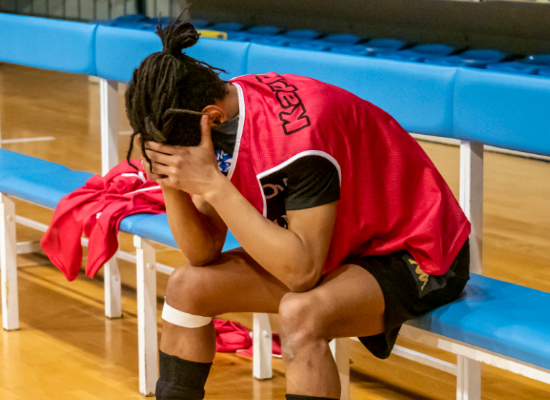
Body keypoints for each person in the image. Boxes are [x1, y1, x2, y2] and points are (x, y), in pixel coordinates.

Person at [125, 16, 471, 400]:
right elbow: (202, 251)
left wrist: (212, 185)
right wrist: (169, 182)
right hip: (340, 242)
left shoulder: (298, 142)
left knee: (301, 315)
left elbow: (302, 273)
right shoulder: (224, 114)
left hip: (418, 250)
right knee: (186, 287)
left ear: (212, 118)